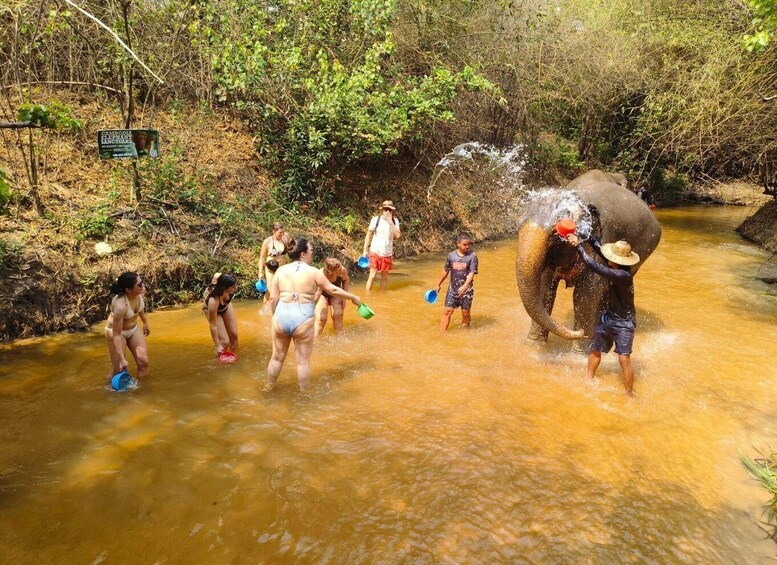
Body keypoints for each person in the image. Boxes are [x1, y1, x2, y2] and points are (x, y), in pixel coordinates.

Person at [265, 238, 362, 391]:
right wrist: (353, 298)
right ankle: (304, 394)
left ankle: (268, 388)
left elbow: (273, 297)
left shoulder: (281, 270)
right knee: (302, 362)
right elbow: (333, 290)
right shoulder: (314, 272)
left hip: (281, 316)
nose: (312, 253)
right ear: (303, 254)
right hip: (302, 318)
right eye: (310, 250)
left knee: (276, 358)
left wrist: (275, 318)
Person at [566, 234, 640, 395]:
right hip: (608, 316)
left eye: (612, 257)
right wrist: (587, 236)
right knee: (595, 349)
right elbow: (601, 250)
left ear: (619, 262)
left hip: (625, 322)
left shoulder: (623, 276)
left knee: (623, 358)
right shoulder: (616, 268)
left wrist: (578, 246)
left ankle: (629, 393)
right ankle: (589, 379)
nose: (609, 259)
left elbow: (595, 266)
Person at [105, 272, 150, 380]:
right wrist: (121, 358)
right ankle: (108, 388)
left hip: (133, 329)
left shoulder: (140, 292)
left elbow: (140, 309)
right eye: (139, 285)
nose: (143, 286)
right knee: (119, 369)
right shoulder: (121, 306)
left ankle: (142, 390)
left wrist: (145, 322)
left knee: (144, 363)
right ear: (128, 290)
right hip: (116, 333)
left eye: (142, 282)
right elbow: (116, 334)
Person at [434, 232, 478, 331]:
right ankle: (441, 335)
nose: (467, 247)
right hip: (452, 290)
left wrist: (465, 286)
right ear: (457, 244)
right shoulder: (451, 256)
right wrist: (438, 284)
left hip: (466, 291)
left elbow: (471, 273)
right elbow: (446, 270)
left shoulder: (472, 257)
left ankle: (466, 332)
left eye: (469, 244)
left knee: (465, 314)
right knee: (447, 312)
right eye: (464, 244)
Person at [362, 200, 400, 291]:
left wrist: (390, 222)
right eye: (385, 209)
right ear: (382, 210)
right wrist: (365, 250)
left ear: (392, 211)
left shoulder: (395, 221)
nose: (387, 211)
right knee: (372, 275)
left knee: (384, 277)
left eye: (389, 210)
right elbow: (368, 235)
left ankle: (383, 295)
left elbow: (398, 235)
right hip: (375, 251)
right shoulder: (376, 219)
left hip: (387, 253)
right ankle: (367, 297)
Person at [203, 272, 239, 356]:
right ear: (224, 288)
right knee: (224, 342)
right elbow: (213, 325)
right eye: (233, 286)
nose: (235, 288)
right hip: (212, 309)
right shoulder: (213, 300)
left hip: (225, 306)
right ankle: (219, 360)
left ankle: (233, 357)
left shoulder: (224, 282)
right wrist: (217, 345)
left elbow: (216, 274)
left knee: (234, 335)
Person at [314, 258, 351, 336]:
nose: (341, 269)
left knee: (338, 314)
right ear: (331, 271)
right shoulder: (321, 274)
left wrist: (344, 299)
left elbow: (346, 280)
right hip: (322, 294)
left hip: (335, 293)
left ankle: (339, 338)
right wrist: (311, 306)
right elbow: (318, 292)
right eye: (339, 269)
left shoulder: (342, 270)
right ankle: (315, 340)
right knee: (322, 318)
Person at [258, 222, 290, 300]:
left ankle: (272, 307)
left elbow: (293, 246)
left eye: (283, 232)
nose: (282, 234)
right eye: (280, 232)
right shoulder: (267, 241)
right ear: (274, 231)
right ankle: (268, 309)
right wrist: (260, 272)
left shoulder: (284, 239)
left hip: (281, 268)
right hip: (271, 268)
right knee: (271, 290)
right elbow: (262, 257)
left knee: (281, 289)